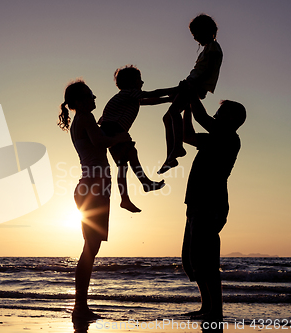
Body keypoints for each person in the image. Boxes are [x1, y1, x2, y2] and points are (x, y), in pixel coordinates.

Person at [58, 80, 130, 321]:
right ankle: (80, 307)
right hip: (93, 187)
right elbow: (99, 143)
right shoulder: (86, 117)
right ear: (78, 101)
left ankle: (81, 305)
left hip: (90, 187)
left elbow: (96, 141)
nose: (94, 97)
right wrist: (120, 138)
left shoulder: (82, 121)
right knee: (90, 249)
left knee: (91, 248)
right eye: (90, 95)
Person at [181, 88, 246, 321]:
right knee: (191, 261)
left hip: (211, 204)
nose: (216, 116)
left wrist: (191, 94)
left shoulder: (229, 137)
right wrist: (187, 110)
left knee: (206, 260)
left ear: (231, 118)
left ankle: (215, 311)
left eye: (220, 112)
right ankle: (206, 307)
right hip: (196, 203)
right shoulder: (215, 137)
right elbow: (187, 136)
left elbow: (203, 117)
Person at [98, 65, 172, 212]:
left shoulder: (130, 97)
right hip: (114, 129)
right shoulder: (129, 93)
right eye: (139, 80)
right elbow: (152, 94)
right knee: (129, 157)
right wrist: (175, 90)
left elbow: (150, 101)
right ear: (131, 83)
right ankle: (144, 184)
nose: (142, 82)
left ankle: (127, 197)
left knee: (124, 164)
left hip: (110, 130)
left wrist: (169, 99)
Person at [159, 14, 223, 174]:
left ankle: (178, 148)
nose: (195, 38)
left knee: (173, 113)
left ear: (208, 31)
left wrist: (192, 84)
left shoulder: (214, 48)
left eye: (197, 34)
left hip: (193, 86)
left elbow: (208, 71)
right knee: (167, 117)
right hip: (190, 84)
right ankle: (171, 155)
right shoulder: (208, 49)